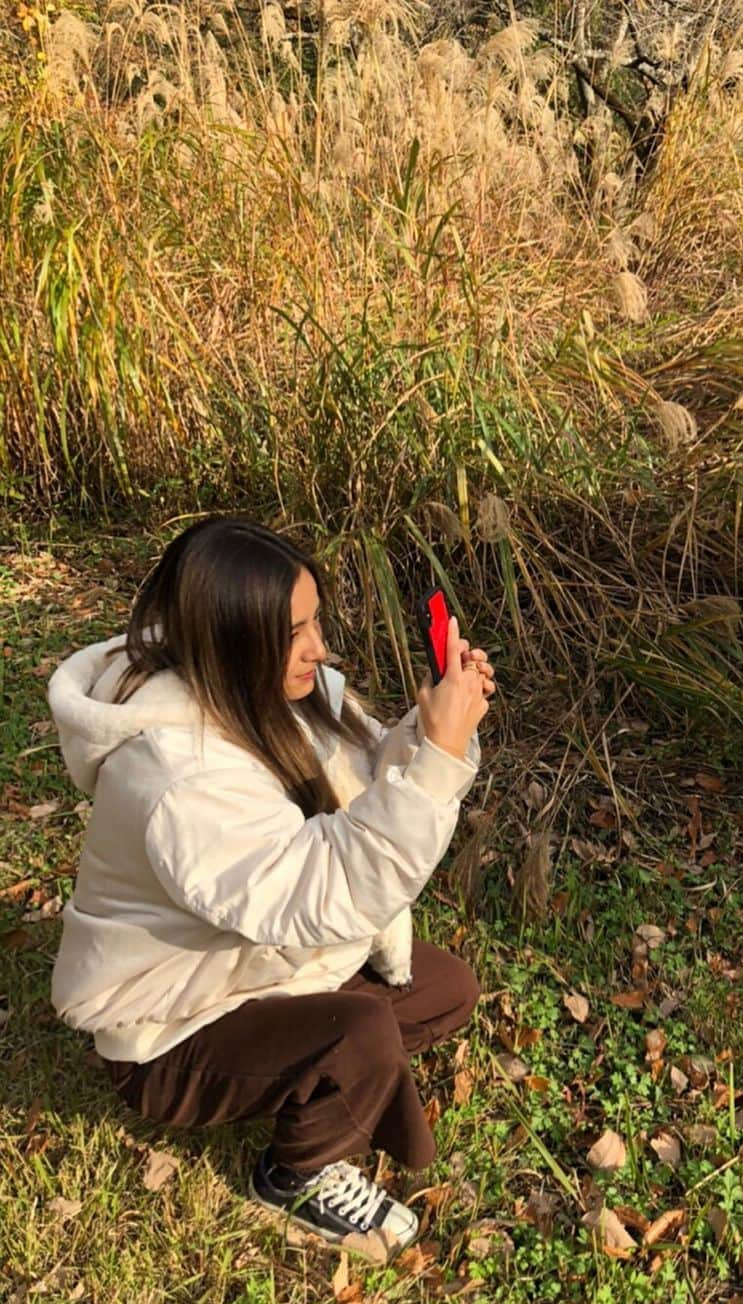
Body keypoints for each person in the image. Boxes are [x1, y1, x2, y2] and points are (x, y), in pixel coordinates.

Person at [45, 515, 495, 1259]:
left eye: (315, 619)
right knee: (363, 1034)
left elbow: (367, 778)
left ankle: (311, 1072)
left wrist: (426, 731)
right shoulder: (175, 777)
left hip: (248, 957)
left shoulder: (267, 692)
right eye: (295, 631)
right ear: (230, 639)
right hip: (168, 1026)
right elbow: (323, 891)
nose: (319, 647)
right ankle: (293, 1174)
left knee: (446, 987)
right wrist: (440, 754)